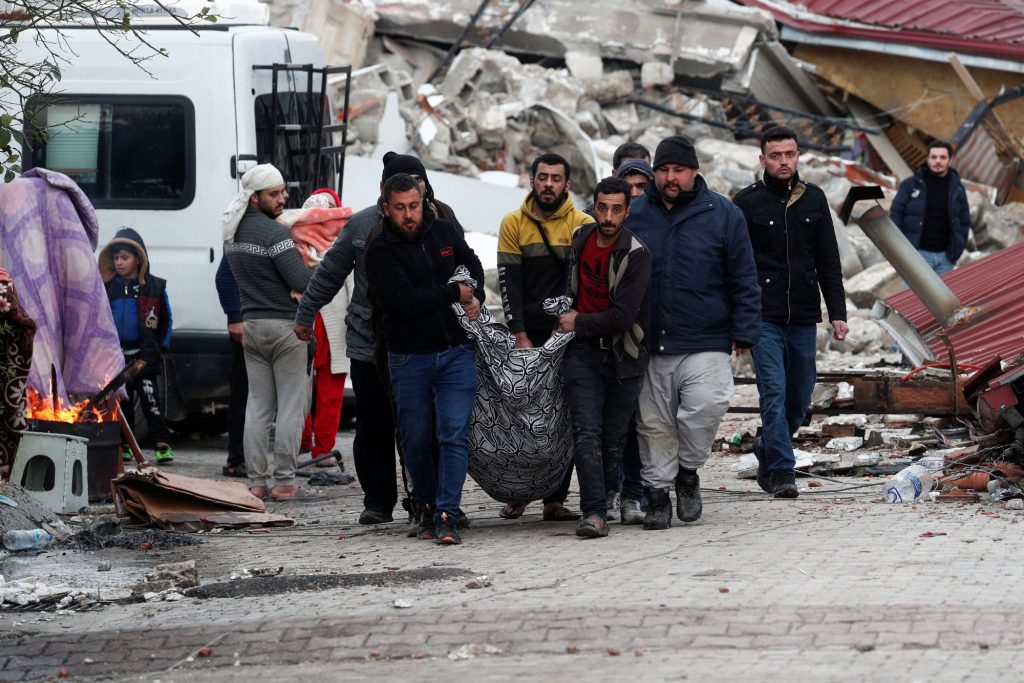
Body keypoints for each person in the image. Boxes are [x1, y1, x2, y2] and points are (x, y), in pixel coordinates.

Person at [294, 153, 463, 526]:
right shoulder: (361, 226)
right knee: (375, 427)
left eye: (417, 184)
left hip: (426, 343)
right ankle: (378, 501)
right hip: (370, 346)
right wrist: (306, 314)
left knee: (429, 429)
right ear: (384, 194)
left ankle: (434, 500)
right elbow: (329, 274)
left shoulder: (443, 220)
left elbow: (463, 271)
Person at [625, 135, 761, 530]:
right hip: (648, 339)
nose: (670, 178)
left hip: (706, 335)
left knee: (707, 405)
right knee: (653, 423)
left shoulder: (721, 213)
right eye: (664, 170)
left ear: (694, 171)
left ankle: (688, 472)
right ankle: (657, 496)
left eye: (678, 170)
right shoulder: (635, 214)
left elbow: (743, 275)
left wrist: (745, 329)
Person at [363, 174, 485, 545]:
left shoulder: (443, 232)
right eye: (400, 208)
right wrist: (453, 292)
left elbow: (473, 264)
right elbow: (404, 301)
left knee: (453, 435)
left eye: (413, 206)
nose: (408, 215)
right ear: (386, 208)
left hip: (455, 353)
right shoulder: (379, 249)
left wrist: (473, 292)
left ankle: (447, 510)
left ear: (423, 201)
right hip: (407, 357)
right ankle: (428, 505)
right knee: (415, 441)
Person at [733, 126, 848, 498]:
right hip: (763, 316)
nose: (784, 161)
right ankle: (783, 471)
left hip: (801, 314)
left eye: (790, 154)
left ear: (798, 156)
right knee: (774, 392)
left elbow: (828, 261)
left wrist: (838, 313)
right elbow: (734, 265)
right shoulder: (746, 203)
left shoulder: (813, 199)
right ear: (762, 159)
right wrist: (738, 321)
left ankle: (767, 444)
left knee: (800, 395)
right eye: (776, 155)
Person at [497, 152, 590, 521]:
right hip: (527, 336)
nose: (548, 184)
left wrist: (569, 326)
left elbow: (583, 283)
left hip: (567, 335)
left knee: (561, 419)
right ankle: (518, 494)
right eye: (542, 177)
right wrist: (519, 333)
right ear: (531, 180)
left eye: (556, 178)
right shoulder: (513, 223)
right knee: (521, 419)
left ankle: (555, 499)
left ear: (567, 184)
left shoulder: (583, 224)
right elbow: (509, 283)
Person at [558, 176, 651, 538]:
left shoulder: (636, 254)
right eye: (602, 208)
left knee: (613, 439)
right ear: (593, 207)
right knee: (586, 433)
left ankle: (610, 494)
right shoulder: (582, 240)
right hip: (582, 353)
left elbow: (623, 317)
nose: (608, 216)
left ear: (627, 211)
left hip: (622, 356)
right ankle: (593, 512)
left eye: (616, 209)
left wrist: (577, 322)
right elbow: (572, 289)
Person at [221, 164, 312, 501]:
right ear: (255, 197)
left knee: (257, 407)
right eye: (275, 193)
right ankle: (285, 481)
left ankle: (257, 482)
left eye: (283, 191)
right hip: (285, 327)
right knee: (290, 406)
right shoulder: (274, 235)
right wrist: (312, 269)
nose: (283, 198)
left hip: (253, 328)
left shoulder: (232, 234)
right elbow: (300, 281)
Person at [98, 227, 175, 464]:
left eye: (125, 258)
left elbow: (166, 319)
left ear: (138, 259)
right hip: (118, 356)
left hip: (144, 355)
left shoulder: (153, 287)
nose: (119, 263)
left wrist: (160, 347)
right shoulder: (108, 287)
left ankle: (161, 443)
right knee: (124, 402)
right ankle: (126, 445)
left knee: (151, 400)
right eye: (116, 258)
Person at [296, 188, 351, 468]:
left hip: (307, 321)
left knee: (300, 387)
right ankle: (319, 448)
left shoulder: (294, 240)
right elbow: (352, 287)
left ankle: (305, 443)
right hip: (328, 323)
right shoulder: (344, 240)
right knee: (324, 391)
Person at [890, 140, 972, 276]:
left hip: (946, 259)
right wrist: (905, 248)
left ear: (950, 160)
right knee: (911, 297)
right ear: (927, 159)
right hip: (916, 255)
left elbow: (964, 222)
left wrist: (955, 252)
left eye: (943, 157)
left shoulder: (957, 188)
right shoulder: (910, 185)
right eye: (934, 157)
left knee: (940, 298)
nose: (938, 161)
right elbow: (896, 214)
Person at [214, 255, 248, 478]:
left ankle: (252, 459)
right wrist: (234, 317)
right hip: (247, 325)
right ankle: (237, 459)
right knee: (243, 394)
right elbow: (224, 276)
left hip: (269, 323)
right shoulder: (240, 229)